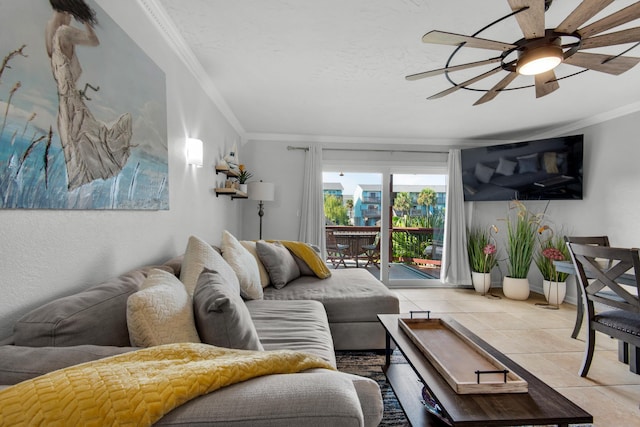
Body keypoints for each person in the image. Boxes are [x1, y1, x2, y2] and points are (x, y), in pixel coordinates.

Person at [46, 0, 132, 191]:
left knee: (79, 155)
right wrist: (85, 19)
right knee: (93, 146)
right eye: (71, 15)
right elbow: (94, 40)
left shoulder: (49, 31)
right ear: (68, 11)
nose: (70, 19)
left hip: (64, 108)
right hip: (72, 104)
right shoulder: (63, 32)